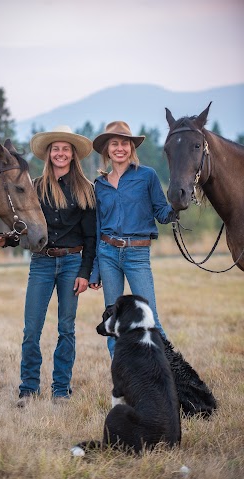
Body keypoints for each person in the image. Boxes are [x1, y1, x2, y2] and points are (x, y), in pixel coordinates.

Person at [0, 125, 96, 405]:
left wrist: (85, 273)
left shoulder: (85, 190)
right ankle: (29, 388)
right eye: (56, 149)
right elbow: (26, 227)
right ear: (48, 154)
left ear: (73, 155)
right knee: (32, 329)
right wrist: (7, 240)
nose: (60, 153)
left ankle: (61, 389)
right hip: (42, 263)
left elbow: (91, 237)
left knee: (66, 328)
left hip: (73, 263)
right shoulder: (35, 187)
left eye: (65, 149)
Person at [89, 121, 176, 358]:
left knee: (150, 318)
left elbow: (162, 212)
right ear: (106, 149)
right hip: (107, 253)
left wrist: (177, 205)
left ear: (131, 148)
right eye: (114, 144)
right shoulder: (100, 184)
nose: (120, 148)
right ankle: (125, 380)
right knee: (113, 320)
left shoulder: (147, 176)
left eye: (124, 143)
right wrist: (95, 270)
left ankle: (172, 377)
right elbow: (97, 228)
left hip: (137, 255)